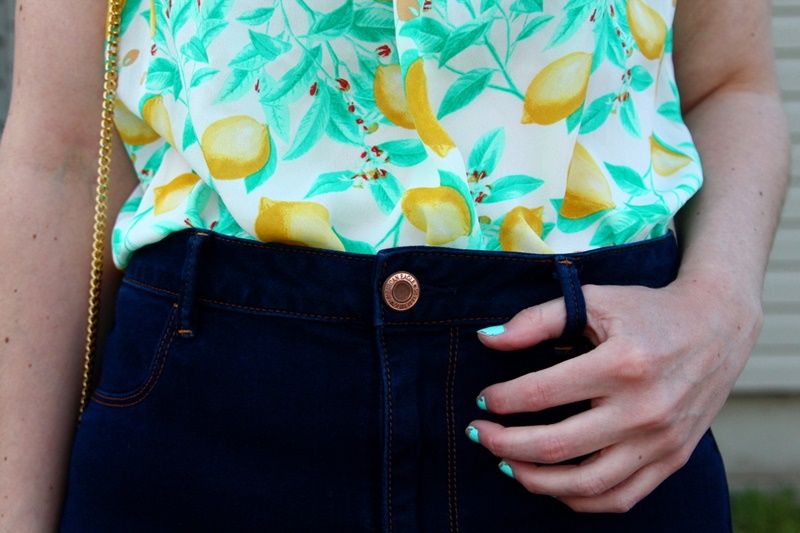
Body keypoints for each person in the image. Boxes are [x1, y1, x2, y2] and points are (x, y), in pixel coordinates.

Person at [0, 0, 789, 531]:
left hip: (593, 424)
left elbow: (728, 81)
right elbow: (61, 154)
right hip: (207, 418)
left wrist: (720, 306)